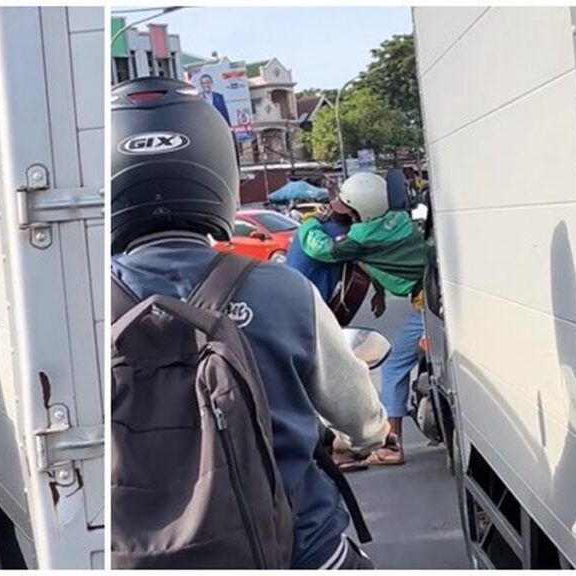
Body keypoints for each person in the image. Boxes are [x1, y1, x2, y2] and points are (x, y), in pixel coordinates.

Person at [111, 77, 387, 569]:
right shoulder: (282, 291)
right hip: (297, 549)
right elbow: (361, 420)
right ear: (219, 170)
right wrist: (366, 436)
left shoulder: (81, 308)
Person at [296, 171, 428, 468]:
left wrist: (308, 225)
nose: (343, 214)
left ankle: (394, 447)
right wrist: (379, 292)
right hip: (431, 291)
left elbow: (323, 249)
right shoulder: (398, 220)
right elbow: (384, 258)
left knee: (394, 366)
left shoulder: (360, 236)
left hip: (427, 304)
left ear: (361, 212)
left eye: (348, 210)